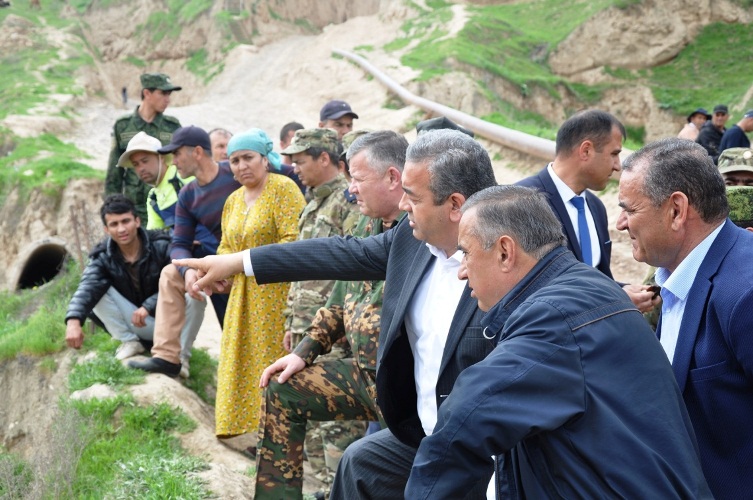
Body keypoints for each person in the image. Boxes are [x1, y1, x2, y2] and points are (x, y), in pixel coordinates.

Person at [174, 129, 499, 499]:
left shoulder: (506, 261)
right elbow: (337, 255)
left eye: (413, 196)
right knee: (359, 462)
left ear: (455, 204)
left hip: (478, 446)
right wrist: (237, 262)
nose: (404, 205)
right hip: (418, 426)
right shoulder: (411, 241)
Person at [403, 185, 711, 499]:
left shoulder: (552, 320)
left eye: (466, 253)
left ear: (505, 252)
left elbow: (463, 422)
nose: (462, 272)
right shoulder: (589, 285)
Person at [254, 130, 408, 499]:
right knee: (282, 388)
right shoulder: (365, 223)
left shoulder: (420, 232)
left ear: (392, 177)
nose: (350, 189)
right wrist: (302, 353)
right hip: (365, 378)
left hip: (405, 383)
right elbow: (339, 301)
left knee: (368, 463)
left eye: (357, 179)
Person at [616, 137, 753, 498]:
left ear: (676, 210)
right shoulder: (679, 278)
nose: (619, 223)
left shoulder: (745, 292)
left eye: (629, 209)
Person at [277, 128, 360, 481]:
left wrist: (344, 328)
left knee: (336, 427)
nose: (294, 167)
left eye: (300, 160)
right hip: (305, 329)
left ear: (324, 158)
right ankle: (322, 487)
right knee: (310, 422)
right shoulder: (313, 203)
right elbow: (301, 270)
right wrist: (290, 322)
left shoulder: (348, 202)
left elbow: (357, 268)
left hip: (332, 333)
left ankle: (336, 488)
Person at [517, 110, 658, 312]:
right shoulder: (521, 203)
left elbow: (592, 278)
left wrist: (623, 290)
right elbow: (530, 290)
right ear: (586, 150)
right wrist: (612, 300)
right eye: (615, 154)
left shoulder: (595, 207)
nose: (618, 166)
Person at [214, 128, 306, 439]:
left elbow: (294, 241)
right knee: (243, 359)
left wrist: (247, 261)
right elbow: (226, 245)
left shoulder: (283, 189)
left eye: (248, 157)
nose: (241, 166)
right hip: (242, 296)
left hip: (276, 291)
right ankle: (251, 430)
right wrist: (219, 272)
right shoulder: (233, 200)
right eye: (234, 160)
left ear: (265, 159)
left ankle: (280, 432)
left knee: (270, 358)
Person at [128, 126, 240, 378]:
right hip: (207, 266)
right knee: (171, 273)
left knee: (239, 340)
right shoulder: (183, 195)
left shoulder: (233, 176)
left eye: (176, 155)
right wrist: (187, 269)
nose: (174, 161)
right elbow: (178, 241)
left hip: (242, 266)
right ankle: (168, 357)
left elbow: (281, 174)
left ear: (197, 152)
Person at [64, 194, 202, 362]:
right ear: (106, 230)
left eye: (125, 221)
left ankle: (182, 357)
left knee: (196, 296)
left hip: (171, 322)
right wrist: (73, 320)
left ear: (137, 221)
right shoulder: (102, 256)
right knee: (96, 292)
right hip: (138, 323)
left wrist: (148, 306)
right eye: (114, 224)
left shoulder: (161, 244)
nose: (121, 229)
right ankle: (129, 341)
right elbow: (87, 286)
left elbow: (180, 279)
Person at [105, 72, 182, 221]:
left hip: (167, 206)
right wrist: (112, 209)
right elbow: (114, 172)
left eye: (169, 94)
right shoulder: (123, 125)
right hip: (135, 208)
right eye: (163, 93)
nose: (168, 99)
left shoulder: (172, 126)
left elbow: (181, 165)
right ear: (147, 93)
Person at [278, 122, 306, 192]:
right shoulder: (276, 172)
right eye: (293, 143)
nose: (297, 148)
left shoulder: (307, 175)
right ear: (282, 144)